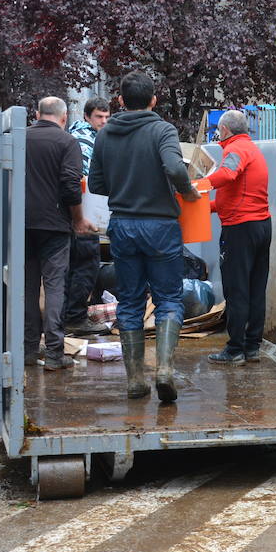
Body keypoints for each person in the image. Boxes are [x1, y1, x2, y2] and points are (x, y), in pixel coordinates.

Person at [89, 71, 200, 402]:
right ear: (153, 100)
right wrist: (188, 192)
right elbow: (177, 168)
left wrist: (122, 189)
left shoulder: (106, 134)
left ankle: (135, 378)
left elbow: (96, 186)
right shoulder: (162, 130)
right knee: (168, 298)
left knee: (131, 300)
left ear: (120, 101)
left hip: (122, 225)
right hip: (160, 226)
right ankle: (164, 369)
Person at [25, 97, 94, 370]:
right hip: (55, 226)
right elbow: (70, 185)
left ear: (37, 113)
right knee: (54, 287)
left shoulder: (21, 139)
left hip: (23, 225)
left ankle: (28, 349)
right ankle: (54, 353)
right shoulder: (68, 142)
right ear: (64, 118)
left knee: (28, 288)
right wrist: (78, 219)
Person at [206, 109, 272, 364]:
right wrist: (205, 206)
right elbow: (234, 194)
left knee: (237, 289)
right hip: (261, 225)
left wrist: (198, 186)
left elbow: (227, 175)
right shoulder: (252, 149)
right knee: (256, 287)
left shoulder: (236, 149)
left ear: (224, 130)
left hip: (240, 229)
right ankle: (252, 346)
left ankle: (235, 349)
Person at [63, 97, 112, 333]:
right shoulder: (84, 141)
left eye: (106, 116)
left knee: (72, 267)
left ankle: (65, 316)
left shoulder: (81, 136)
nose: (103, 121)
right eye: (98, 117)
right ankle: (74, 317)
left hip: (75, 215)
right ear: (86, 117)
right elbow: (81, 181)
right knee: (85, 265)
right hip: (84, 215)